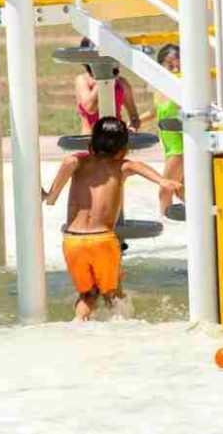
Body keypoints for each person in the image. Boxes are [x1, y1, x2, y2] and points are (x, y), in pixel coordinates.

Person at [41, 117, 183, 321]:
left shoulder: (76, 163)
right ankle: (119, 333)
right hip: (102, 241)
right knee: (113, 295)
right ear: (124, 150)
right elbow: (137, 166)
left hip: (72, 241)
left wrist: (47, 195)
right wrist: (164, 181)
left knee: (87, 295)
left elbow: (52, 198)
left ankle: (79, 326)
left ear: (90, 146)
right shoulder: (122, 167)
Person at [138, 44, 184, 216]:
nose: (176, 69)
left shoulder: (182, 87)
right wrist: (134, 122)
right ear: (161, 66)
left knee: (165, 189)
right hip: (170, 146)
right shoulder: (160, 88)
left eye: (178, 65)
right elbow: (155, 111)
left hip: (179, 148)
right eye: (170, 66)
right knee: (183, 190)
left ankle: (166, 221)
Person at [74, 40, 141, 135]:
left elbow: (134, 116)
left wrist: (132, 127)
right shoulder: (83, 81)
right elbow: (90, 108)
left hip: (115, 140)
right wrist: (103, 76)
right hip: (89, 141)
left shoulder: (122, 84)